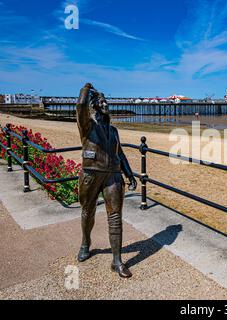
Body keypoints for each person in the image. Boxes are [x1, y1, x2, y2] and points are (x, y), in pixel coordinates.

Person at [76, 83, 137, 278]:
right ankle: (86, 243)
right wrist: (86, 89)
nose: (105, 104)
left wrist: (129, 173)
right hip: (91, 173)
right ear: (94, 106)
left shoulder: (114, 131)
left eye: (106, 101)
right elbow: (80, 106)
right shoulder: (87, 125)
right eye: (101, 102)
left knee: (115, 216)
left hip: (113, 174)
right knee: (88, 211)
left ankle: (117, 261)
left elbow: (120, 153)